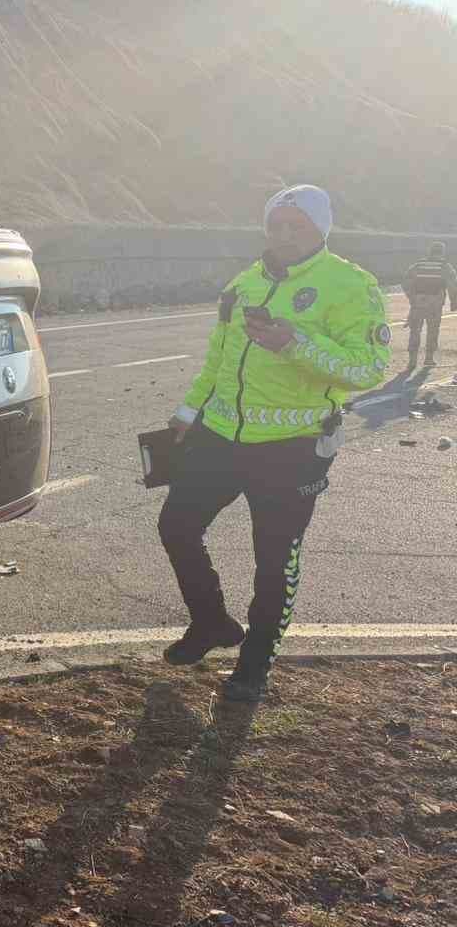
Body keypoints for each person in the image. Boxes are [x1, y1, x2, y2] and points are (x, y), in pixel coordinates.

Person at [157, 185, 391, 702]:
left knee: (274, 558)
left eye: (297, 226)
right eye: (276, 225)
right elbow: (219, 359)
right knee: (176, 525)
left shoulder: (351, 285)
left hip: (293, 448)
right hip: (221, 436)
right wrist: (189, 411)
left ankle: (256, 662)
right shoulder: (243, 283)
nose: (284, 235)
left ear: (320, 230)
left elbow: (368, 368)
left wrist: (294, 343)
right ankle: (211, 621)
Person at [401, 241, 457, 366]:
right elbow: (453, 286)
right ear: (442, 252)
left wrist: (412, 298)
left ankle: (412, 360)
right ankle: (429, 358)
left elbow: (405, 283)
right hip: (435, 304)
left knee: (415, 330)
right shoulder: (444, 266)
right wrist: (454, 303)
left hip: (418, 303)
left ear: (430, 252)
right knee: (432, 330)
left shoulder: (418, 265)